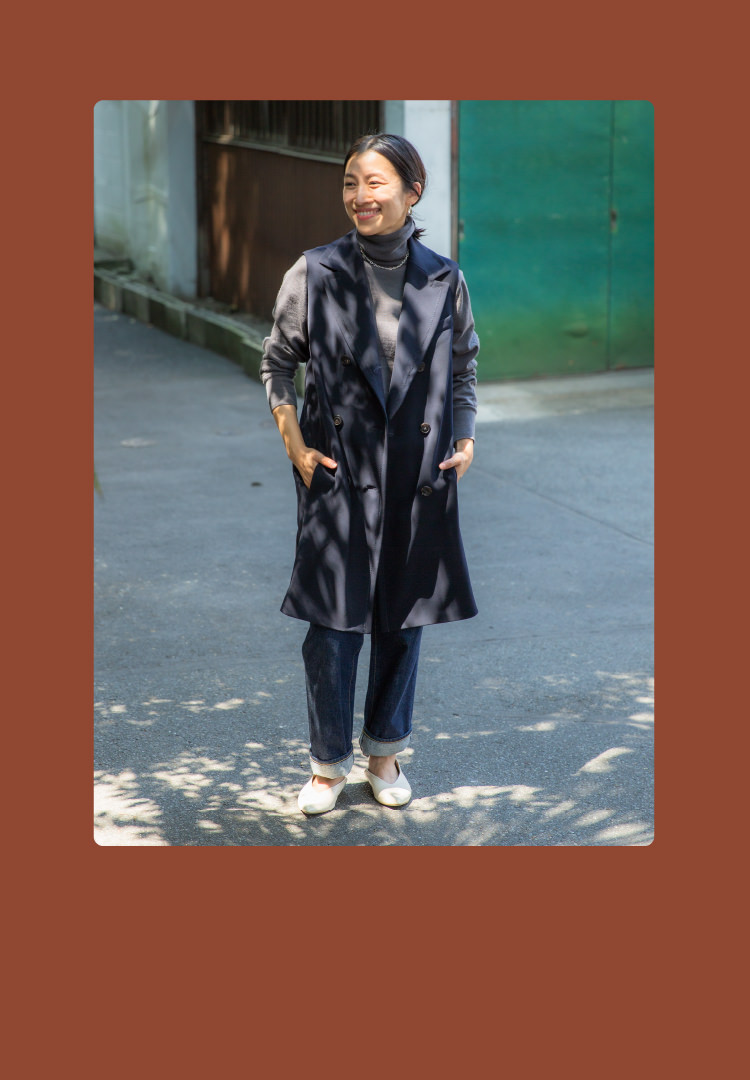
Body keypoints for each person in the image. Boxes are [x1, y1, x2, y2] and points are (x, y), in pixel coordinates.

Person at [260, 132, 479, 815]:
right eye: (351, 182)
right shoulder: (315, 271)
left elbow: (464, 367)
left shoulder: (444, 278)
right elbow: (278, 363)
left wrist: (466, 438)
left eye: (375, 182)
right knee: (332, 626)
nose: (360, 195)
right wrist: (295, 446)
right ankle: (328, 765)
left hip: (418, 473)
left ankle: (385, 752)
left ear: (412, 192)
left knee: (402, 620)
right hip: (337, 470)